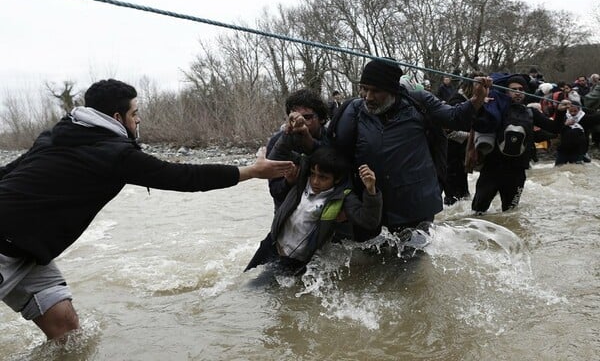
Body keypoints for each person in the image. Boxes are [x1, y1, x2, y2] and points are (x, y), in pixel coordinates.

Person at [0, 79, 294, 341]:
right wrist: (251, 171)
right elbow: (184, 178)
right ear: (118, 117)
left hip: (31, 253)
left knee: (65, 327)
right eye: (135, 113)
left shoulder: (57, 136)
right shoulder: (114, 155)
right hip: (6, 246)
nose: (138, 120)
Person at [329, 58, 487, 240]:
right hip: (371, 207)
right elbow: (334, 153)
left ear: (393, 90)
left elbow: (454, 118)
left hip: (415, 207)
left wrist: (477, 99)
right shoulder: (354, 110)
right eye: (364, 88)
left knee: (414, 262)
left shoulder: (418, 102)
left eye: (376, 91)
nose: (368, 96)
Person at [245, 145, 382, 275]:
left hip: (295, 260)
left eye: (323, 177)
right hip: (271, 244)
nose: (315, 181)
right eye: (313, 174)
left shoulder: (342, 197)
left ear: (337, 179)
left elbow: (369, 221)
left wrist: (371, 190)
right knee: (246, 281)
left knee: (261, 289)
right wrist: (289, 131)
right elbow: (279, 153)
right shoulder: (303, 179)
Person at [467, 74, 568, 213]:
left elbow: (555, 128)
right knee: (478, 210)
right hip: (492, 170)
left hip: (517, 172)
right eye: (513, 89)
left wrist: (561, 112)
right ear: (506, 92)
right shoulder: (496, 109)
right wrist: (480, 104)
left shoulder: (531, 113)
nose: (518, 92)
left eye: (521, 89)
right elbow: (478, 123)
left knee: (510, 213)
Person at [266, 89, 329, 210]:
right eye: (294, 118)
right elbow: (275, 191)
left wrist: (308, 141)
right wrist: (288, 182)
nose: (300, 123)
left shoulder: (332, 138)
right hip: (289, 215)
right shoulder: (277, 141)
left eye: (307, 117)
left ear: (321, 118)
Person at [443, 72, 484, 205]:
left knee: (464, 195)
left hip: (461, 156)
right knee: (453, 198)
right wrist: (472, 137)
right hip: (451, 155)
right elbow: (449, 132)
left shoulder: (471, 101)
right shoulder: (456, 101)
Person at [555, 94, 600, 165]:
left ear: (579, 110)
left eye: (575, 111)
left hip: (578, 150)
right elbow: (556, 128)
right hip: (563, 149)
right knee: (558, 169)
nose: (572, 113)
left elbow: (597, 118)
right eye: (571, 111)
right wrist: (565, 124)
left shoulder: (585, 118)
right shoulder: (563, 117)